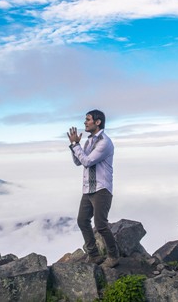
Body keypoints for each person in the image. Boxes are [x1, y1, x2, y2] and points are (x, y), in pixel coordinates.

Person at [67, 109, 120, 268]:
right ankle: (94, 255)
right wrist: (74, 146)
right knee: (82, 220)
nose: (85, 122)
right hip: (88, 188)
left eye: (88, 119)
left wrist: (76, 145)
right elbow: (78, 162)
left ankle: (113, 256)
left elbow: (88, 161)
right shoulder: (89, 141)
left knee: (101, 224)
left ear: (98, 122)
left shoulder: (104, 142)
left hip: (101, 189)